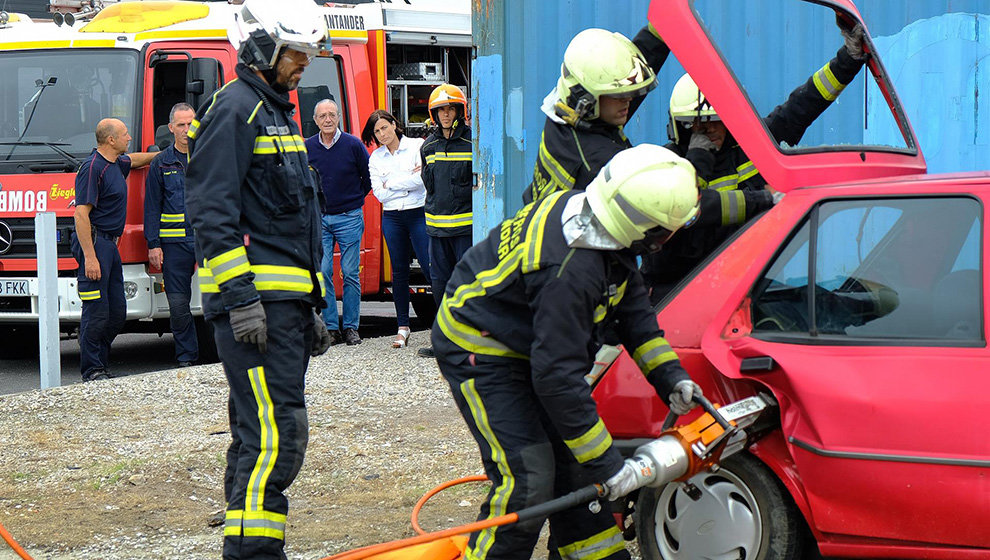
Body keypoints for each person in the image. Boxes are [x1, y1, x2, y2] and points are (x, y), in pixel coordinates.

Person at [433, 144, 705, 560]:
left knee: (577, 471)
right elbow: (557, 380)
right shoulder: (571, 272)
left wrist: (670, 375)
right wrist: (612, 467)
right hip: (479, 346)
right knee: (530, 478)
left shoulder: (598, 220)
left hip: (530, 342)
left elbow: (631, 308)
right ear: (647, 231)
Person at [183, 1, 331, 557]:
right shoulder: (236, 110)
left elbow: (286, 224)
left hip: (281, 305)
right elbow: (212, 213)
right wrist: (243, 300)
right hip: (257, 309)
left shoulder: (275, 112)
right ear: (263, 48)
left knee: (256, 436)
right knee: (277, 438)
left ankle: (249, 550)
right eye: (297, 54)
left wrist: (308, 303)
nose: (304, 66)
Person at [642, 19, 869, 303]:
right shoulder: (663, 165)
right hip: (673, 292)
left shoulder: (751, 144)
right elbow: (688, 210)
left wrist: (849, 58)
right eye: (695, 126)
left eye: (715, 122)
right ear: (677, 127)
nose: (708, 132)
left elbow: (804, 104)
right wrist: (698, 159)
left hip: (736, 285)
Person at [523, 23, 669, 204]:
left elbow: (614, 78)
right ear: (587, 99)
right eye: (620, 96)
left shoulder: (563, 110)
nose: (629, 100)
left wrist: (657, 35)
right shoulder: (598, 162)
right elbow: (664, 204)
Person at [71, 118, 154, 382]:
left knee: (116, 313)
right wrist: (90, 258)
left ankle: (99, 362)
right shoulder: (92, 168)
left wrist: (167, 152)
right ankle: (92, 370)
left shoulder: (117, 163)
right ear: (111, 140)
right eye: (125, 135)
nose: (129, 138)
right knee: (96, 312)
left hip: (109, 246)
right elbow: (81, 215)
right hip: (94, 245)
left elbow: (137, 159)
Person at [362, 110, 431, 349]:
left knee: (429, 266)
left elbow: (421, 180)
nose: (382, 134)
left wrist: (391, 181)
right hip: (392, 217)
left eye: (384, 127)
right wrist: (403, 181)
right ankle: (403, 328)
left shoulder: (416, 145)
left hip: (418, 212)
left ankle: (446, 325)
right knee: (399, 272)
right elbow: (379, 193)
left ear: (394, 124)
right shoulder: (375, 158)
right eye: (377, 131)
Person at [305, 98, 371, 346]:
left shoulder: (353, 145)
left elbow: (368, 177)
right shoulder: (308, 146)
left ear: (339, 116)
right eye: (322, 116)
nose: (328, 120)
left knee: (351, 273)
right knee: (323, 272)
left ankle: (351, 327)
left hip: (349, 218)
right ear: (315, 120)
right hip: (320, 219)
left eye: (332, 115)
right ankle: (332, 327)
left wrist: (352, 202)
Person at [418, 84, 473, 358]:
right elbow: (429, 186)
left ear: (459, 111)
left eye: (450, 108)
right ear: (434, 114)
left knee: (466, 286)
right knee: (440, 287)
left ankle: (469, 341)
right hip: (437, 231)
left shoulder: (473, 143)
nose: (446, 114)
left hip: (465, 231)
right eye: (441, 110)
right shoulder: (427, 147)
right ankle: (444, 343)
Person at [144, 102, 199, 367]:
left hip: (209, 240)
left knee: (222, 299)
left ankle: (227, 355)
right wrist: (153, 244)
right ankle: (187, 357)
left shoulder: (209, 156)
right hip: (174, 244)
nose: (186, 130)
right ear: (171, 128)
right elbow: (152, 207)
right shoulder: (161, 163)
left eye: (190, 124)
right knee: (178, 306)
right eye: (181, 125)